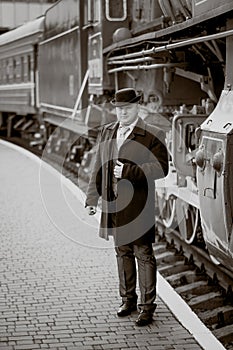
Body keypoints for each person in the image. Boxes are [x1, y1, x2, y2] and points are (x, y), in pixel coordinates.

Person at [85, 88, 169, 326]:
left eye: (127, 108)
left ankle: (147, 307)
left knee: (143, 254)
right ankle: (128, 300)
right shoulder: (107, 131)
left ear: (137, 108)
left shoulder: (153, 133)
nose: (122, 112)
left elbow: (162, 168)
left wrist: (129, 172)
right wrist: (92, 199)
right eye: (119, 109)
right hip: (114, 206)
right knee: (122, 253)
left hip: (139, 206)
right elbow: (97, 168)